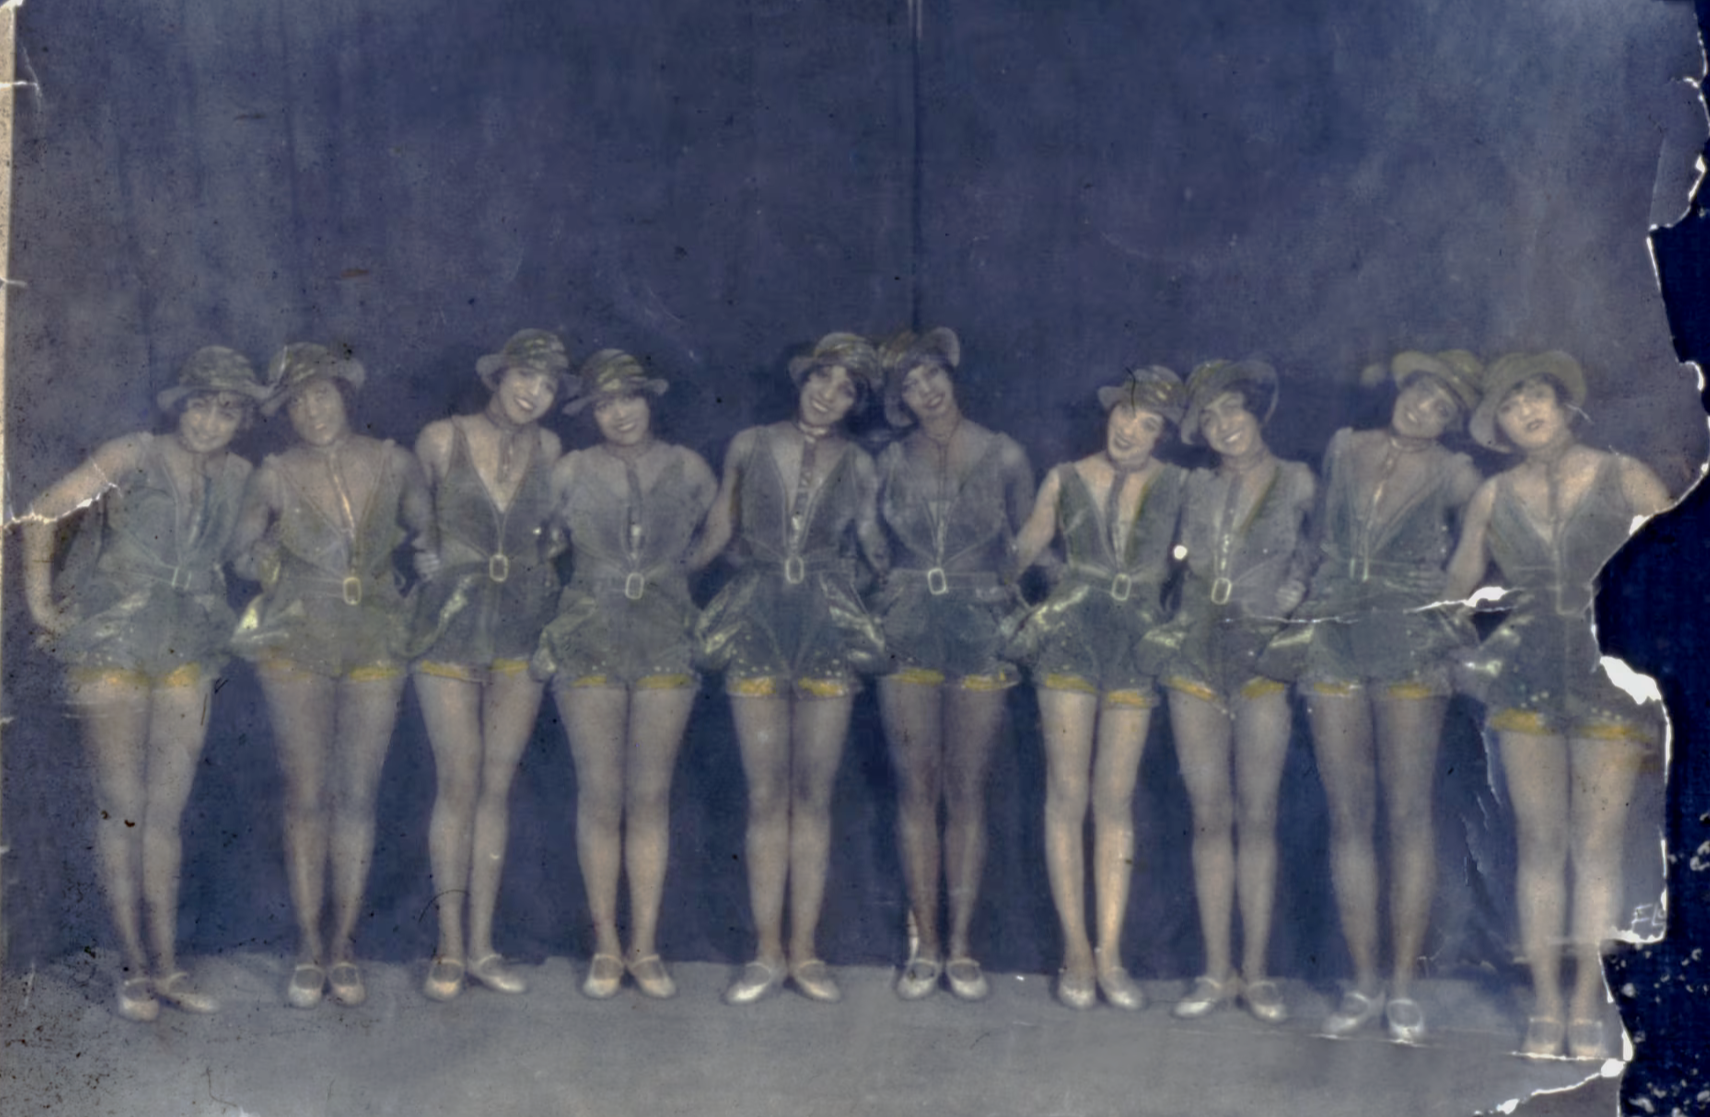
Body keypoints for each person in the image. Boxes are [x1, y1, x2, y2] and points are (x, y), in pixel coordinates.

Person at [22, 347, 268, 1021]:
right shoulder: (132, 452)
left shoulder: (244, 474)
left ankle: (167, 965)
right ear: (178, 404)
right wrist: (41, 604)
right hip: (111, 644)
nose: (209, 422)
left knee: (164, 814)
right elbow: (42, 511)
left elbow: (246, 552)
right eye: (199, 405)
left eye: (226, 411)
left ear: (241, 419)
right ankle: (132, 967)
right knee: (121, 807)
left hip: (187, 645)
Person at [1444, 351, 1669, 1060]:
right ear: (1502, 427)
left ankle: (1585, 1003)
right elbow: (1456, 585)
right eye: (1512, 406)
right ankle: (1545, 1006)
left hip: (1607, 674)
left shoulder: (1623, 473)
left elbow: (1682, 554)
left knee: (1595, 847)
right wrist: (1455, 638)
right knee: (1538, 845)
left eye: (1537, 394)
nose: (1528, 410)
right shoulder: (1492, 493)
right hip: (1526, 676)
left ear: (1563, 402)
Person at [1267, 351, 1484, 1042]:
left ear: (1453, 424)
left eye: (1442, 408)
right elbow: (1312, 543)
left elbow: (1483, 545)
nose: (1423, 409)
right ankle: (1362, 983)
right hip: (1332, 629)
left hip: (1408, 637)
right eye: (1420, 393)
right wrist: (1288, 601)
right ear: (1403, 388)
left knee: (1408, 811)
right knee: (1348, 814)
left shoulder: (1457, 473)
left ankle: (1403, 987)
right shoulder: (1343, 447)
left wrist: (1444, 605)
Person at [229, 343, 435, 1009]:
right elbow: (238, 552)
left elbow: (430, 533)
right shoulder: (274, 472)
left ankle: (343, 943)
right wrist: (271, 563)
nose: (313, 409)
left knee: (357, 793)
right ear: (284, 412)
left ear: (346, 395)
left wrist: (422, 567)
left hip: (375, 633)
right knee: (306, 792)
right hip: (297, 639)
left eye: (323, 394)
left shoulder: (392, 460)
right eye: (298, 401)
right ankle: (307, 945)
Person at [690, 333, 888, 1005]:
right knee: (765, 791)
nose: (828, 396)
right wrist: (669, 576)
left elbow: (872, 546)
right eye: (821, 380)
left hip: (827, 620)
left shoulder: (860, 462)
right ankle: (765, 949)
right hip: (758, 618)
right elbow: (719, 529)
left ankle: (805, 949)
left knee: (813, 792)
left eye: (846, 390)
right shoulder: (748, 443)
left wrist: (895, 593)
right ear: (802, 378)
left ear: (857, 402)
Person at [533, 349, 717, 1000]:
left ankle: (646, 942)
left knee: (649, 794)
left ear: (649, 400)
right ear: (592, 413)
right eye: (605, 403)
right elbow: (539, 541)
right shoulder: (571, 468)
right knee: (600, 791)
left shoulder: (691, 466)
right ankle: (606, 941)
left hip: (666, 630)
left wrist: (676, 572)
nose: (620, 413)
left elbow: (722, 533)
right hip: (590, 629)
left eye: (629, 398)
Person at [1008, 367, 1189, 1010]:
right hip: (1070, 637)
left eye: (1149, 424)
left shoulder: (1179, 486)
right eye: (1127, 414)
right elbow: (1025, 546)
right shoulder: (1062, 477)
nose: (1131, 430)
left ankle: (1111, 954)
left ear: (1164, 437)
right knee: (1067, 793)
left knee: (1115, 800)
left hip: (1139, 642)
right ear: (1110, 411)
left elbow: (1202, 556)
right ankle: (1075, 950)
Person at [1142, 359, 1314, 1025]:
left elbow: (1315, 559)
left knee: (1259, 814)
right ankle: (1216, 971)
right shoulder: (1189, 486)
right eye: (1208, 419)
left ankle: (1259, 972)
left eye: (1231, 409)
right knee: (1209, 813)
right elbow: (1159, 559)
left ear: (1258, 411)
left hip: (1263, 659)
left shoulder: (1299, 480)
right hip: (1193, 656)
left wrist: (1286, 611)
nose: (1222, 425)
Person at [870, 328, 1035, 1002]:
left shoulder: (1004, 453)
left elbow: (1028, 548)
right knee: (917, 786)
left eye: (932, 374)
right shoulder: (885, 459)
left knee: (967, 786)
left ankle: (961, 944)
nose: (925, 390)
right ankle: (924, 943)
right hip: (908, 622)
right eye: (909, 384)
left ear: (951, 374)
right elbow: (869, 545)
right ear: (898, 400)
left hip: (979, 623)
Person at [409, 330, 568, 1001]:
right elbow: (414, 515)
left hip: (521, 627)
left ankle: (482, 945)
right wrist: (426, 548)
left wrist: (550, 549)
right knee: (459, 781)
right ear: (497, 376)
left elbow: (555, 529)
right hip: (447, 625)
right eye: (524, 377)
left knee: (496, 787)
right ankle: (448, 945)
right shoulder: (442, 438)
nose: (534, 393)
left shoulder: (552, 449)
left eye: (549, 385)